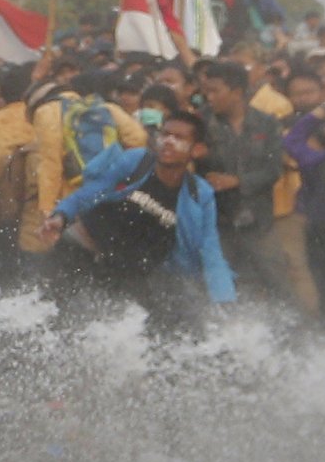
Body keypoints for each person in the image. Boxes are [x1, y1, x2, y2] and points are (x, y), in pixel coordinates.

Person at [41, 110, 235, 328]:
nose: (168, 142)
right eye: (165, 134)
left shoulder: (199, 194)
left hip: (127, 274)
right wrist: (60, 216)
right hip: (80, 252)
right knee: (54, 320)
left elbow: (210, 249)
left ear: (197, 150)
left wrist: (223, 298)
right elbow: (90, 192)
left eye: (179, 138)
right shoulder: (137, 162)